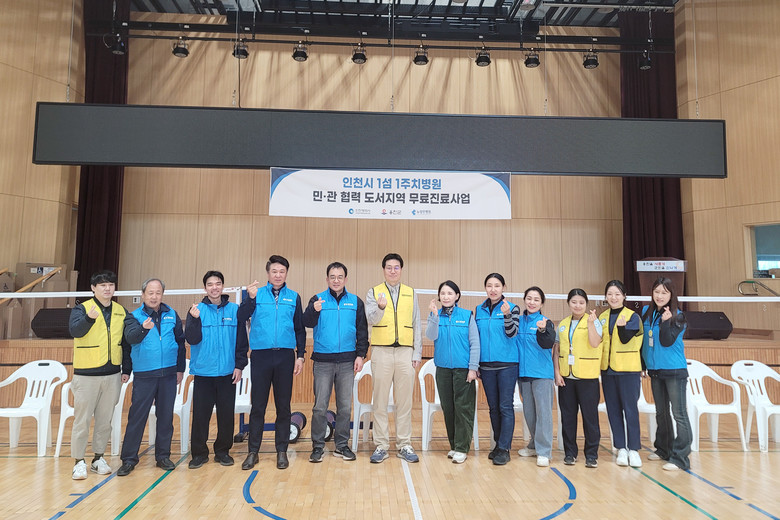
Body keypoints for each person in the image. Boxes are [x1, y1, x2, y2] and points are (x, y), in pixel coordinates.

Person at [68, 270, 145, 480]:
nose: (107, 288)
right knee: (82, 421)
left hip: (112, 375)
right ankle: (78, 461)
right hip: (86, 376)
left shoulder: (121, 311)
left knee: (105, 421)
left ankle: (98, 458)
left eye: (110, 284)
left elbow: (126, 343)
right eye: (102, 285)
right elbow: (75, 331)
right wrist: (88, 319)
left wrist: (126, 369)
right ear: (93, 288)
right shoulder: (82, 309)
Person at [239, 255, 305, 470]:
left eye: (282, 271)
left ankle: (281, 451)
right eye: (274, 271)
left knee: (283, 406)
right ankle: (253, 452)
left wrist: (300, 355)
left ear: (286, 274)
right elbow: (241, 316)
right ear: (268, 273)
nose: (278, 275)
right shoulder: (255, 294)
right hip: (261, 356)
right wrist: (249, 299)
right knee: (258, 406)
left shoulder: (293, 297)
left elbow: (299, 329)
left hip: (285, 356)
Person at [117, 279, 186, 476]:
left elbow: (180, 343)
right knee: (137, 417)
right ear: (143, 295)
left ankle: (163, 456)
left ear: (162, 294)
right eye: (150, 293)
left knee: (165, 417)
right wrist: (143, 329)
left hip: (168, 374)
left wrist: (180, 369)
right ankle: (129, 459)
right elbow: (129, 340)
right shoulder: (133, 317)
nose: (154, 297)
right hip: (145, 375)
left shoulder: (171, 314)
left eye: (158, 293)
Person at [302, 262, 368, 463]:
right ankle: (317, 446)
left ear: (345, 279)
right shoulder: (317, 299)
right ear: (327, 279)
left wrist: (360, 355)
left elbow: (362, 331)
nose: (336, 280)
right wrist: (313, 310)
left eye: (340, 277)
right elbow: (306, 322)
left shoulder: (355, 302)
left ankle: (341, 445)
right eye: (332, 277)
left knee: (345, 407)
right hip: (323, 362)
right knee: (320, 407)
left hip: (347, 362)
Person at [186, 270, 248, 469]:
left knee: (226, 415)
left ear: (223, 286)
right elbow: (191, 339)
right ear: (205, 288)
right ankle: (199, 454)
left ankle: (222, 452)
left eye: (218, 283)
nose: (214, 287)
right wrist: (194, 320)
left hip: (228, 373)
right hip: (203, 372)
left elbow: (241, 341)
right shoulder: (196, 310)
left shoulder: (234, 310)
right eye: (210, 284)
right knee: (200, 416)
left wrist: (239, 365)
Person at [365, 253, 422, 464]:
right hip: (381, 351)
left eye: (396, 267)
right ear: (383, 270)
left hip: (405, 352)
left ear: (401, 270)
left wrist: (417, 352)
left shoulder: (410, 292)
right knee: (380, 400)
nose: (392, 271)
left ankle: (404, 443)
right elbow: (370, 319)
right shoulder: (373, 292)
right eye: (389, 267)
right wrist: (380, 308)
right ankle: (381, 445)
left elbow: (416, 323)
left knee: (405, 401)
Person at [425, 281, 480, 464]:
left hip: (463, 370)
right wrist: (434, 316)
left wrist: (473, 368)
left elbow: (475, 343)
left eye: (450, 293)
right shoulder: (435, 315)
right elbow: (431, 336)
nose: (446, 296)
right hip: (443, 370)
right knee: (448, 408)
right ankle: (455, 445)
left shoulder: (466, 316)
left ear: (457, 296)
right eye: (443, 293)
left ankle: (462, 448)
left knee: (463, 409)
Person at [641, 277, 692, 471]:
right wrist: (643, 364)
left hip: (674, 371)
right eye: (657, 292)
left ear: (671, 295)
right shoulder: (646, 312)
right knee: (661, 412)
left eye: (664, 292)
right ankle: (664, 449)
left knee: (679, 414)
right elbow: (644, 341)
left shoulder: (678, 316)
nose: (660, 296)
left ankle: (680, 458)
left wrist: (665, 322)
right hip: (655, 370)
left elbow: (667, 340)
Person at [553, 289, 603, 469]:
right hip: (567, 378)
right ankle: (570, 453)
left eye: (581, 302)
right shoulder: (563, 324)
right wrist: (557, 372)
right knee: (568, 418)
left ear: (586, 304)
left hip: (587, 377)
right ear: (568, 303)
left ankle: (591, 455)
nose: (577, 305)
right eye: (574, 302)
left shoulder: (595, 322)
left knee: (590, 418)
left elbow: (595, 343)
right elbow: (557, 350)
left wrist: (590, 324)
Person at [475, 273, 520, 466]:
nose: (493, 289)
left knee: (505, 406)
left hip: (507, 365)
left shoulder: (512, 308)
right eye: (489, 285)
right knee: (493, 408)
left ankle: (504, 448)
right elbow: (476, 338)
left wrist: (507, 315)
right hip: (486, 366)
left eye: (497, 286)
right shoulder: (479, 309)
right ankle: (498, 444)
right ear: (485, 288)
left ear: (503, 288)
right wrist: (476, 364)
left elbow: (512, 333)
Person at [599, 279, 644, 468]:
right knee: (613, 410)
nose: (613, 297)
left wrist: (621, 326)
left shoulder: (633, 316)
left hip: (628, 370)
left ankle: (633, 449)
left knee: (630, 410)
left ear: (624, 296)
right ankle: (621, 448)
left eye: (617, 294)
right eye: (610, 294)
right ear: (605, 297)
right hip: (607, 371)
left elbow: (625, 339)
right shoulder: (602, 317)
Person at [516, 286, 556, 467]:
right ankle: (533, 444)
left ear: (541, 303)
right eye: (529, 298)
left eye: (536, 299)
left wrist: (542, 330)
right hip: (523, 374)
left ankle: (544, 451)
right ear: (524, 300)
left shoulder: (546, 322)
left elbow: (548, 343)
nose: (532, 302)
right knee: (530, 413)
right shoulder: (518, 321)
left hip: (542, 374)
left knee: (543, 413)